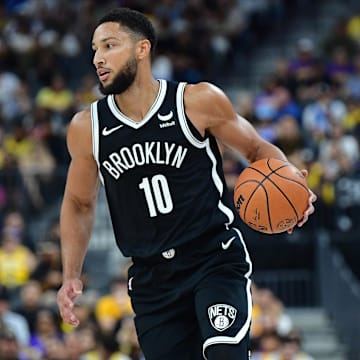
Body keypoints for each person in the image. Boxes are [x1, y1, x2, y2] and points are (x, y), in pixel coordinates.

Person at [56, 7, 316, 360]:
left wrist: (292, 184)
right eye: (94, 50)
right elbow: (78, 203)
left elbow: (255, 148)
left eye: (109, 46)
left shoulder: (196, 101)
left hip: (212, 259)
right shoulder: (87, 128)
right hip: (152, 279)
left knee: (224, 354)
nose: (98, 58)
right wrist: (70, 274)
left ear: (141, 49)